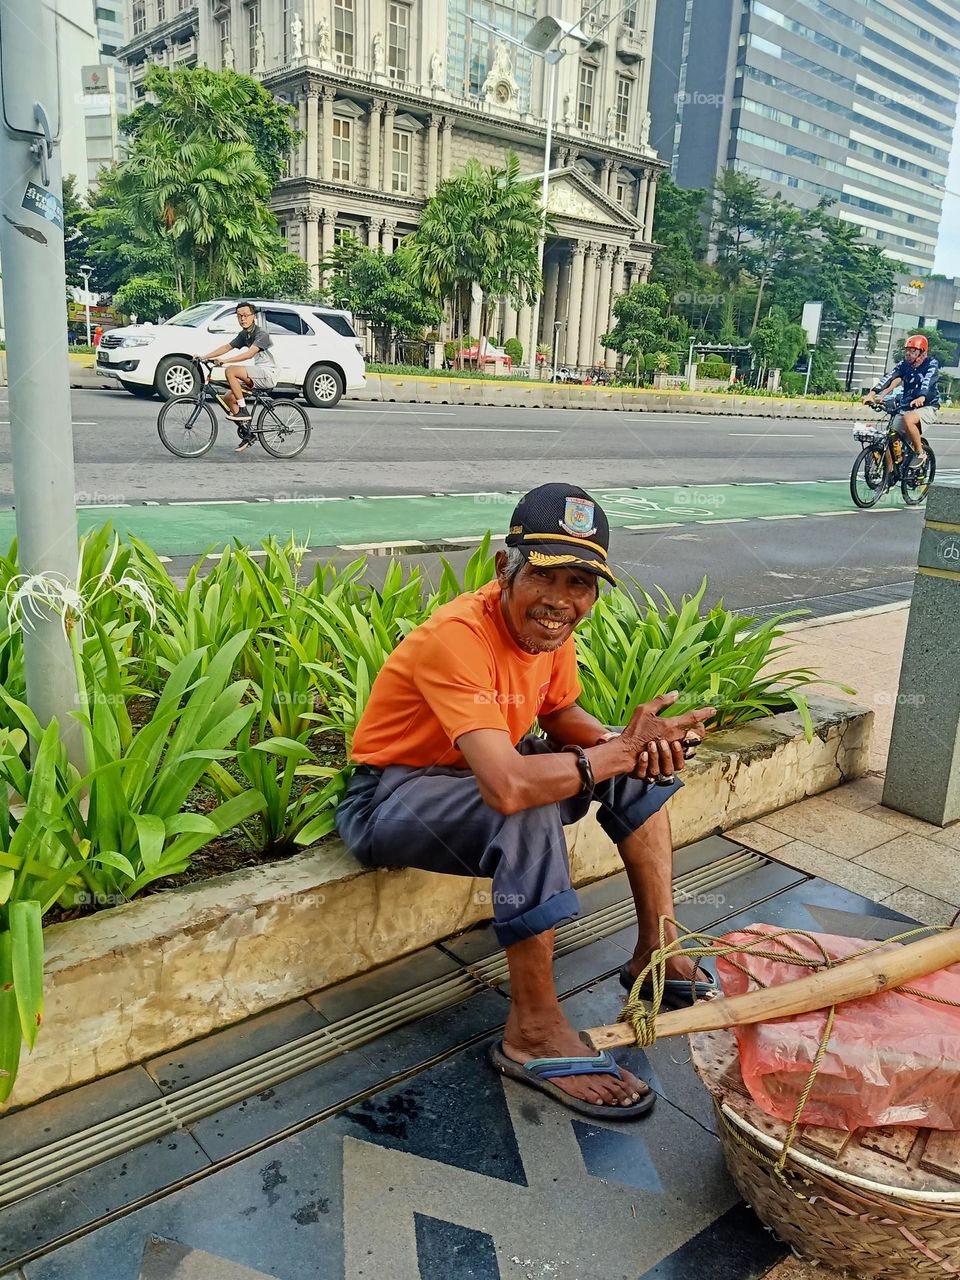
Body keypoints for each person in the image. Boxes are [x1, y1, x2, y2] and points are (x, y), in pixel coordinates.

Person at [335, 484, 717, 1122]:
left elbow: (560, 713)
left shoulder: (549, 631)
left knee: (633, 772)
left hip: (473, 773)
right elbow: (508, 786)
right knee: (529, 800)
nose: (561, 600)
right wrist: (615, 753)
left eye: (580, 584)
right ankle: (533, 1031)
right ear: (503, 570)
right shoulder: (457, 637)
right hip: (394, 795)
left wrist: (631, 748)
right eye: (544, 576)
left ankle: (658, 951)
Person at [201, 302, 279, 453]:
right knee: (228, 398)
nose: (242, 319)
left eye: (245, 315)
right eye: (239, 316)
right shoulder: (244, 334)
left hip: (268, 373)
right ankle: (248, 433)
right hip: (258, 373)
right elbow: (227, 347)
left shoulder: (261, 334)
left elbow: (249, 354)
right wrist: (204, 357)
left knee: (230, 371)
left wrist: (225, 361)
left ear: (253, 317)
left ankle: (243, 409)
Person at [863, 333, 939, 471]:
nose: (908, 354)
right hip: (907, 406)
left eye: (913, 351)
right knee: (890, 435)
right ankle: (890, 473)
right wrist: (871, 394)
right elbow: (889, 377)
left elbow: (928, 381)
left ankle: (919, 453)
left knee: (908, 419)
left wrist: (922, 396)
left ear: (922, 352)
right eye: (907, 351)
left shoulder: (931, 364)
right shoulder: (904, 365)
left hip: (927, 406)